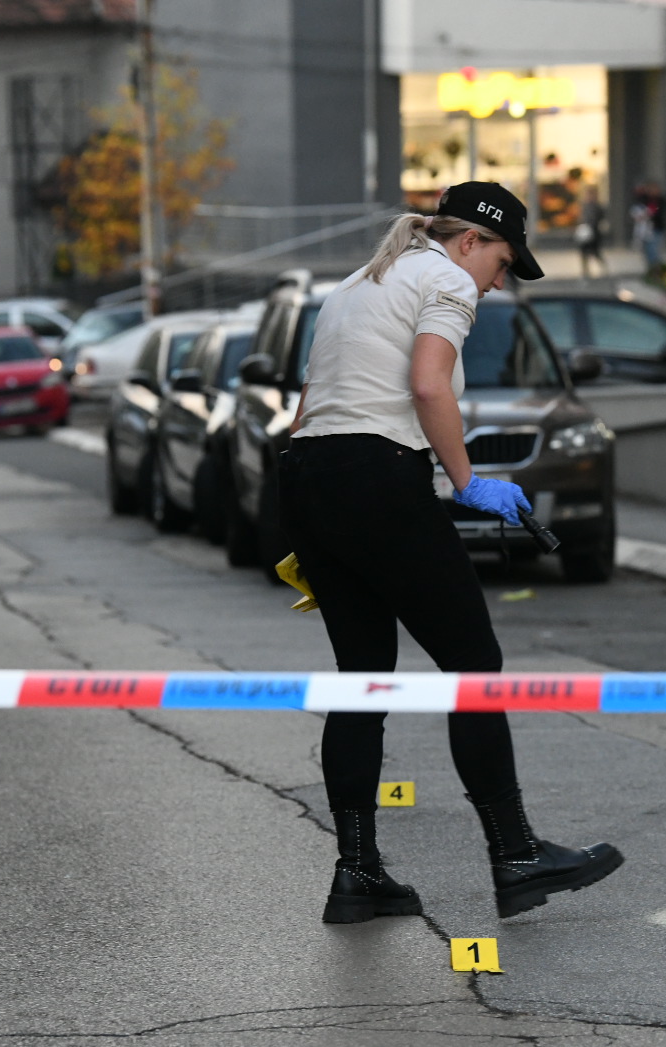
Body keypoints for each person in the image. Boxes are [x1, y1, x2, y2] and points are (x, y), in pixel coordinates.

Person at [280, 181, 623, 925]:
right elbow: (428, 384)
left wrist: (331, 514)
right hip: (376, 478)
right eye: (503, 261)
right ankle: (517, 855)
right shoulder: (443, 279)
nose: (501, 281)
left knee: (363, 679)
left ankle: (358, 871)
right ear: (470, 241)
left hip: (308, 478)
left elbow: (310, 407)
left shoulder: (355, 284)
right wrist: (465, 482)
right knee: (475, 669)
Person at [576, 186, 607, 280]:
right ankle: (585, 270)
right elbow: (581, 218)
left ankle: (603, 267)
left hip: (594, 232)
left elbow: (600, 218)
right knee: (583, 251)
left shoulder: (597, 206)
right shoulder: (585, 206)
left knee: (595, 251)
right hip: (584, 231)